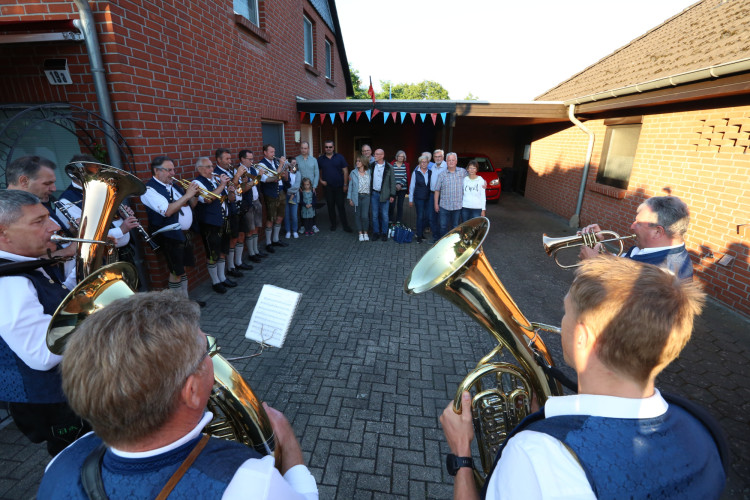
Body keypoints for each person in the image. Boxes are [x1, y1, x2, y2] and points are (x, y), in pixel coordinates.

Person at [440, 256, 725, 500]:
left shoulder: (536, 454)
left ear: (582, 337)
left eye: (565, 313)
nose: (560, 322)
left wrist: (462, 454)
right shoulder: (703, 429)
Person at [38, 291, 318, 499]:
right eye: (207, 350)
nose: (213, 356)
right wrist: (289, 446)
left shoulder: (61, 463)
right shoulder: (250, 482)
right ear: (192, 391)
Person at [0, 190, 90, 456]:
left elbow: (54, 301)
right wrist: (89, 311)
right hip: (53, 399)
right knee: (77, 456)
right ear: (4, 233)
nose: (55, 226)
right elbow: (42, 353)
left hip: (64, 391)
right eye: (39, 221)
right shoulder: (9, 283)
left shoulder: (25, 263)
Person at [578, 195, 693, 280]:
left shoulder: (665, 274)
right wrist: (599, 248)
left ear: (657, 232)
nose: (632, 226)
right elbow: (619, 264)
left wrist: (593, 264)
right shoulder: (649, 250)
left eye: (638, 223)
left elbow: (616, 303)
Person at [140, 156, 200, 297]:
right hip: (168, 236)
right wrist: (187, 195)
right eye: (169, 170)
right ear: (156, 171)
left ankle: (185, 301)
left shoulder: (173, 186)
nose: (173, 173)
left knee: (182, 269)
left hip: (181, 235)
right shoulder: (148, 189)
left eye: (173, 170)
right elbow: (167, 211)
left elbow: (190, 204)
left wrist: (195, 194)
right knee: (175, 271)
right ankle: (177, 306)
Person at [193, 157, 235, 294]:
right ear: (200, 169)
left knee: (222, 250)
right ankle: (215, 281)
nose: (212, 169)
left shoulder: (214, 180)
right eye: (208, 167)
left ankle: (222, 278)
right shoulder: (196, 182)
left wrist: (230, 189)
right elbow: (208, 199)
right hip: (210, 223)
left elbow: (228, 198)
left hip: (223, 219)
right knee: (212, 253)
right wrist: (222, 185)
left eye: (212, 166)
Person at [214, 148, 249, 278]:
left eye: (230, 158)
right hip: (230, 209)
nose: (230, 161)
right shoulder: (217, 174)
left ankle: (238, 262)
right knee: (232, 239)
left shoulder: (231, 171)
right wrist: (238, 176)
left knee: (240, 235)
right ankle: (231, 267)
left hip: (239, 206)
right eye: (227, 159)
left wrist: (244, 182)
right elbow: (229, 191)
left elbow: (239, 189)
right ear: (219, 160)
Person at [258, 144, 290, 253]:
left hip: (280, 191)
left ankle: (275, 239)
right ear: (265, 153)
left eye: (274, 152)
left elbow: (282, 177)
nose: (274, 154)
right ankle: (268, 242)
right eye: (271, 152)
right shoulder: (261, 165)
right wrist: (281, 165)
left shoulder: (275, 162)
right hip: (270, 193)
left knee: (280, 216)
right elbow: (273, 178)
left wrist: (285, 168)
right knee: (271, 218)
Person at [237, 149, 266, 263]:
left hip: (256, 200)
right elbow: (242, 189)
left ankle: (256, 251)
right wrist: (258, 177)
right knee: (250, 229)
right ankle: (251, 254)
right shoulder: (239, 171)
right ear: (242, 159)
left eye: (252, 159)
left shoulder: (252, 169)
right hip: (247, 203)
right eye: (249, 159)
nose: (252, 161)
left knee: (257, 227)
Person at [317, 140, 352, 232]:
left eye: (330, 147)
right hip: (328, 187)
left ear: (333, 148)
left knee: (341, 206)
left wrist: (345, 184)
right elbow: (316, 171)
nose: (328, 149)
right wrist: (320, 181)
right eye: (326, 147)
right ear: (324, 148)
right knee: (330, 206)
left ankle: (345, 225)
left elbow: (345, 171)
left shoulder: (340, 157)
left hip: (339, 186)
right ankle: (333, 224)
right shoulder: (320, 159)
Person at [433, 152, 467, 238]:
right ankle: (442, 244)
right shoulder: (442, 175)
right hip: (444, 206)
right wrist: (436, 204)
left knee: (455, 227)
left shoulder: (463, 172)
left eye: (453, 160)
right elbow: (437, 190)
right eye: (449, 160)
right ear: (446, 162)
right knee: (443, 226)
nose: (451, 162)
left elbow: (472, 178)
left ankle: (452, 245)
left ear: (456, 161)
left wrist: (483, 182)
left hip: (457, 206)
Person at [370, 149, 396, 242]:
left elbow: (393, 182)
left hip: (385, 195)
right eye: (375, 154)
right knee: (375, 215)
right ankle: (376, 233)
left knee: (385, 215)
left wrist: (392, 195)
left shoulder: (389, 167)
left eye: (376, 154)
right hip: (374, 194)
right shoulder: (372, 166)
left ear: (382, 155)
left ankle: (384, 233)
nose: (374, 156)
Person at [295, 141, 320, 233]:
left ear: (308, 149)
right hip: (300, 189)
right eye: (302, 148)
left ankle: (313, 225)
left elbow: (317, 174)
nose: (303, 150)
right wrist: (297, 186)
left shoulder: (314, 160)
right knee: (302, 207)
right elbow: (294, 174)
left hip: (311, 188)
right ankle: (303, 225)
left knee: (312, 206)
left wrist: (315, 186)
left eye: (305, 148)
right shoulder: (297, 160)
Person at [408, 154, 432, 243]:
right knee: (420, 216)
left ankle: (420, 232)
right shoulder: (415, 173)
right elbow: (412, 186)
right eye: (422, 162)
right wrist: (410, 199)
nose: (423, 163)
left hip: (428, 198)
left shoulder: (430, 172)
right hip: (418, 198)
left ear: (428, 163)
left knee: (428, 216)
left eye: (425, 162)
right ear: (419, 163)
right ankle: (419, 236)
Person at [347, 156, 371, 242]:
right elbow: (350, 186)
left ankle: (366, 233)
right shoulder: (353, 173)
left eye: (359, 161)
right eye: (357, 161)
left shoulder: (369, 172)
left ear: (364, 162)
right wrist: (349, 199)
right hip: (356, 196)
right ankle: (360, 233)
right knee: (357, 215)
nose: (357, 162)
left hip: (366, 196)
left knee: (365, 216)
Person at [429, 150, 447, 239]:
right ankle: (435, 237)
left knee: (442, 219)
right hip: (432, 195)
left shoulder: (447, 166)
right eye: (436, 157)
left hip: (443, 196)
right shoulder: (433, 167)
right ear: (433, 158)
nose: (437, 158)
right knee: (432, 217)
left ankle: (442, 238)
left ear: (443, 157)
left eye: (439, 156)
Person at [389, 150, 408, 224]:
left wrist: (400, 184)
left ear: (404, 158)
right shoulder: (392, 164)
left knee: (400, 205)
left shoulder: (406, 165)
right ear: (397, 157)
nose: (400, 158)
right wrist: (395, 185)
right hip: (393, 188)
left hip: (402, 188)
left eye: (402, 156)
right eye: (399, 156)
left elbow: (406, 176)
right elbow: (390, 176)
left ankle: (398, 220)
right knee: (392, 205)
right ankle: (390, 219)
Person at [285, 158, 301, 239]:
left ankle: (294, 230)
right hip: (286, 197)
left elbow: (297, 186)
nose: (294, 164)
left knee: (294, 215)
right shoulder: (286, 173)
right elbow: (284, 184)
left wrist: (288, 191)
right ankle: (288, 231)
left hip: (294, 195)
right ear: (289, 164)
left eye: (295, 163)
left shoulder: (297, 173)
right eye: (293, 163)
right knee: (286, 215)